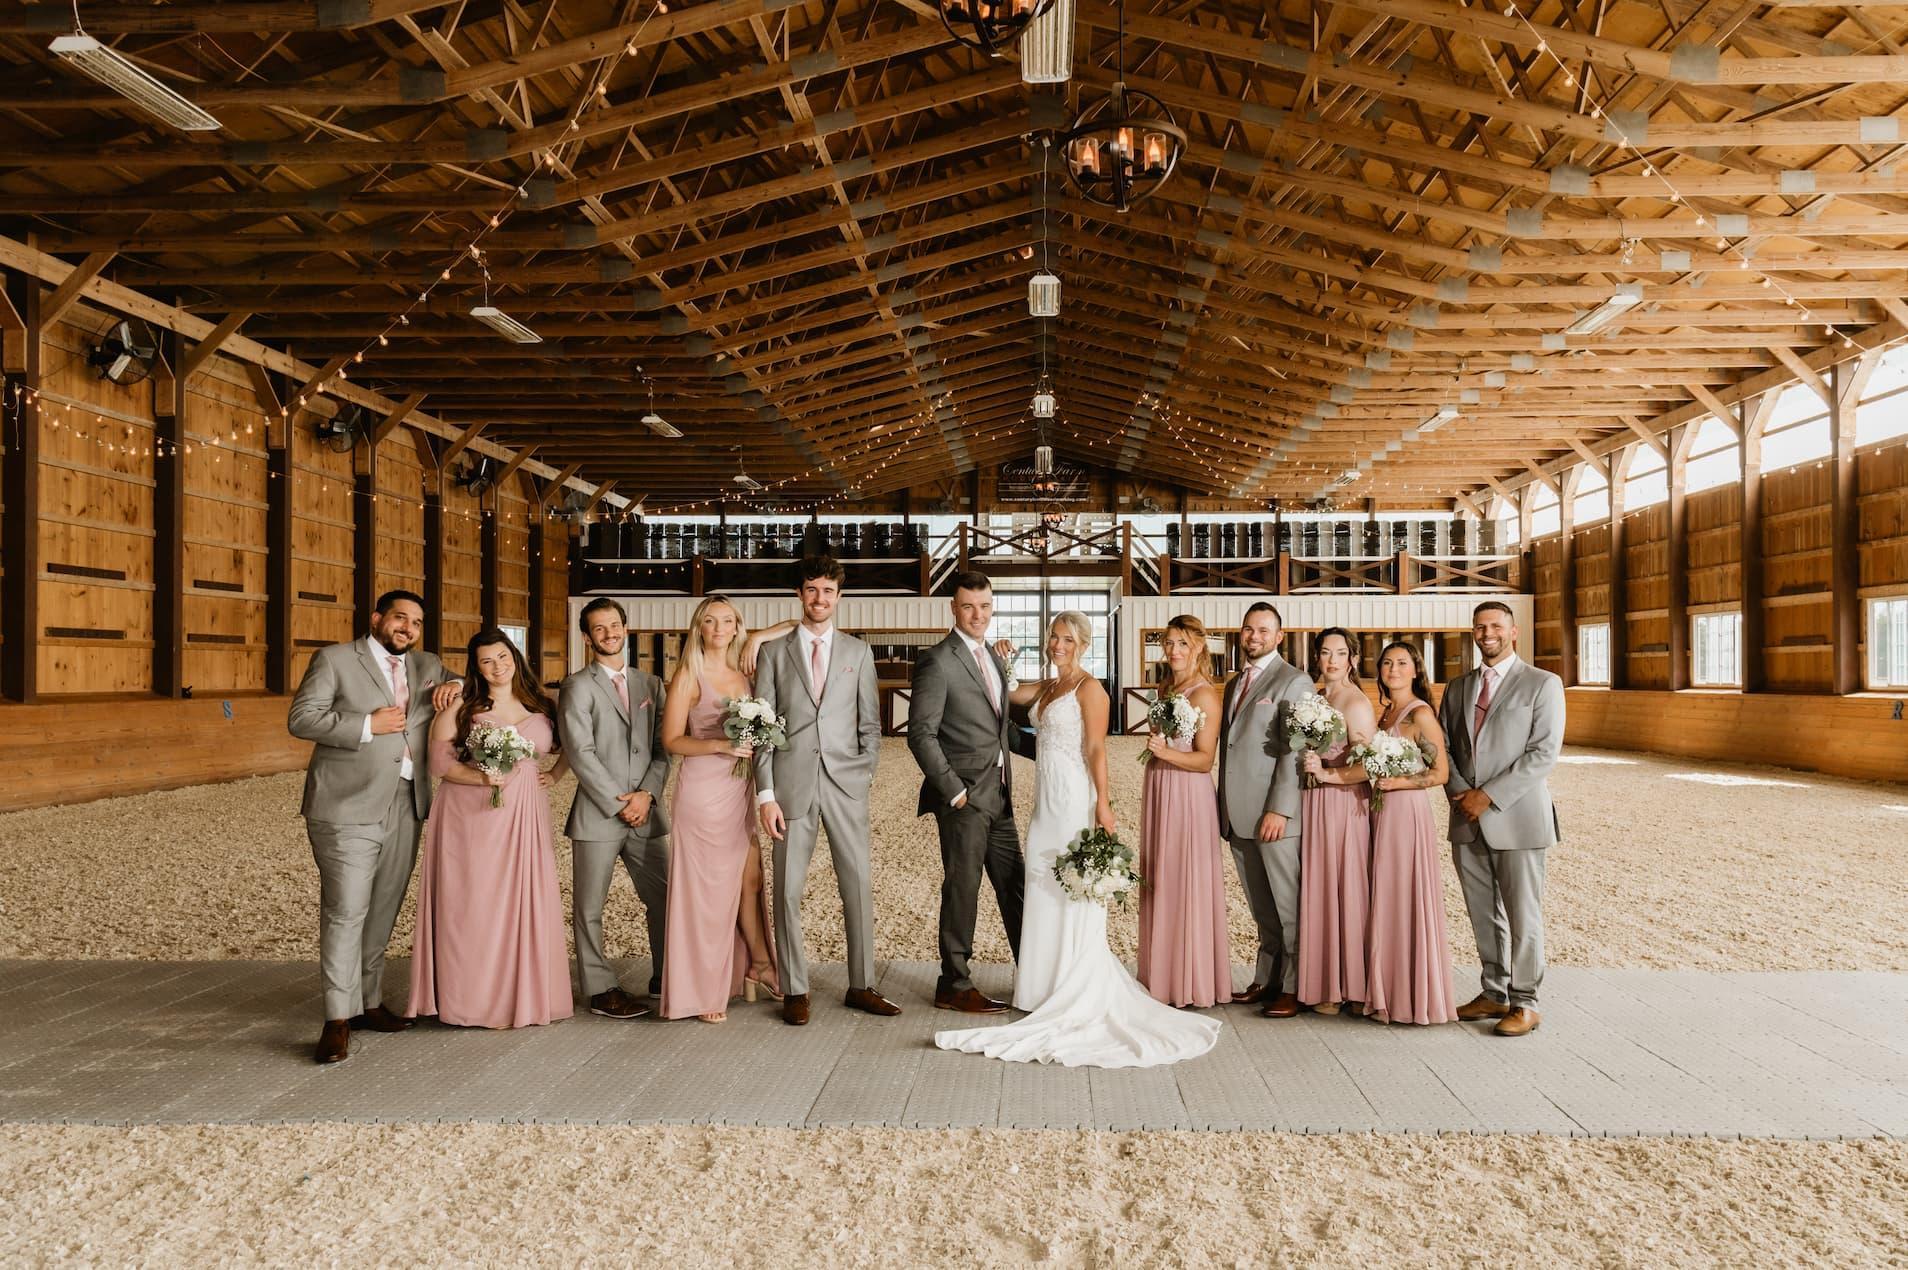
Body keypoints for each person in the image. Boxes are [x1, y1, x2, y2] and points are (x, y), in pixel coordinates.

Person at [934, 613, 1219, 1066]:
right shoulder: (1048, 687)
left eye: (1067, 639)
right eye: (1053, 637)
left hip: (1073, 801)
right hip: (1044, 805)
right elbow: (1005, 692)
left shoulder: (1091, 689)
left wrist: (1103, 802)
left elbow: (1095, 748)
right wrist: (998, 656)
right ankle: (1042, 987)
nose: (1058, 645)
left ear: (1084, 644)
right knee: (1042, 885)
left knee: (1072, 888)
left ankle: (1076, 984)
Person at [288, 589, 461, 1065]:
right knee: (346, 910)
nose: (408, 628)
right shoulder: (335, 659)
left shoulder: (427, 664)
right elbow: (301, 719)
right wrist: (366, 724)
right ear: (377, 618)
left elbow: (465, 683)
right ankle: (336, 1019)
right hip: (345, 806)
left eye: (417, 622)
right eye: (400, 618)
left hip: (407, 802)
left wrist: (458, 686)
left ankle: (367, 1002)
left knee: (384, 907)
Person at [754, 556, 902, 1025]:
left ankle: (862, 984)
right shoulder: (773, 653)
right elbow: (763, 729)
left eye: (828, 591)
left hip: (846, 785)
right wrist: (765, 794)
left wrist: (864, 774)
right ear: (800, 594)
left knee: (856, 885)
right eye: (812, 589)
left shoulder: (858, 652)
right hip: (791, 786)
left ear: (839, 597)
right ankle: (795, 988)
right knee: (788, 891)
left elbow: (870, 725)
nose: (820, 599)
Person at [406, 630, 571, 1029]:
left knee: (520, 900)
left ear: (515, 656)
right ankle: (472, 1000)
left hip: (525, 811)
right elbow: (439, 764)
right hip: (473, 813)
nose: (498, 667)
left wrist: (555, 774)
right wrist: (482, 779)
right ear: (476, 668)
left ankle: (519, 996)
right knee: (475, 903)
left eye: (503, 657)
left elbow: (573, 745)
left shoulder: (542, 704)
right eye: (487, 661)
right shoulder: (463, 704)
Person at [1439, 601, 1565, 1038]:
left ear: (1513, 632)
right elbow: (1444, 747)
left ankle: (1526, 1001)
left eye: (1495, 626)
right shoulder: (1458, 687)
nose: (1487, 633)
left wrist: (1487, 796)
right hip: (1466, 818)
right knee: (1482, 913)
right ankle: (1494, 991)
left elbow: (1543, 753)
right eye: (1480, 627)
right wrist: (1461, 793)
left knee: (1523, 915)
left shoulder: (1542, 684)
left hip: (1517, 818)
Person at [906, 570, 1026, 1014]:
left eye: (985, 606)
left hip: (1000, 794)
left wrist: (1058, 749)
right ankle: (953, 983)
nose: (978, 615)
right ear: (953, 608)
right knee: (964, 887)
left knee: (1015, 885)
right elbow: (920, 734)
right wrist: (955, 791)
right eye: (969, 607)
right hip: (965, 799)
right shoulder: (937, 661)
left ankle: (1034, 972)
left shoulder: (993, 656)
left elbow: (1002, 729)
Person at [659, 595, 781, 1023]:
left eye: (727, 621)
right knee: (708, 892)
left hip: (739, 790)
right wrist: (720, 744)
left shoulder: (745, 671)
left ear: (736, 627)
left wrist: (759, 637)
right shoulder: (689, 674)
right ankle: (701, 991)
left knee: (750, 879)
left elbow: (795, 625)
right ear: (699, 627)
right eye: (710, 621)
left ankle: (759, 965)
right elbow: (671, 740)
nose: (718, 628)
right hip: (703, 791)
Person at [558, 598, 670, 1021]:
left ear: (626, 628)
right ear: (587, 638)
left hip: (647, 812)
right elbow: (580, 752)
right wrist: (618, 802)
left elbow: (663, 748)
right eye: (599, 628)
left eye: (614, 625)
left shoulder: (651, 684)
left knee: (665, 898)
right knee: (589, 907)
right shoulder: (577, 686)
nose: (609, 634)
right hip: (598, 814)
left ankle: (666, 975)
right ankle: (600, 989)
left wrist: (647, 795)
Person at [1214, 602, 1309, 1017]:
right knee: (1261, 907)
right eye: (1249, 629)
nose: (1254, 637)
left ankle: (1295, 986)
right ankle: (1267, 978)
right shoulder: (1235, 683)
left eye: (1264, 630)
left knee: (1288, 906)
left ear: (1279, 636)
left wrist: (1281, 809)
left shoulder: (1295, 681)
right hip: (1238, 814)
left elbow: (1295, 750)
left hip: (1273, 815)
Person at [1137, 615, 1230, 1009]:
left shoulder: (1205, 694)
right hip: (1160, 786)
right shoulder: (1166, 687)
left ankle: (1191, 979)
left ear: (1198, 647)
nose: (1174, 651)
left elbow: (1205, 760)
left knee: (1184, 878)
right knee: (1161, 876)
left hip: (1188, 793)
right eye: (1169, 643)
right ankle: (1161, 973)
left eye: (1182, 644)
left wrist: (1165, 752)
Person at [1363, 641, 1457, 1026]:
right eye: (1387, 663)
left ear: (1416, 670)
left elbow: (1440, 773)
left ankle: (1410, 996)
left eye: (1402, 663)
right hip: (1380, 809)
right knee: (1383, 895)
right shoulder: (1386, 713)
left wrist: (1398, 783)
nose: (1393, 669)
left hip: (1405, 812)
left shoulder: (1420, 714)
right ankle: (1384, 988)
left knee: (1403, 894)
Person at [1297, 627, 1376, 1015]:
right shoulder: (1315, 697)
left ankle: (1352, 986)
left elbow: (1368, 765)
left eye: (1340, 653)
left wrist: (1327, 774)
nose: (1332, 660)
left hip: (1343, 803)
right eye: (1325, 652)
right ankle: (1325, 981)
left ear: (1353, 659)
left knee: (1345, 887)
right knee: (1321, 887)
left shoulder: (1355, 702)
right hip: (1314, 801)